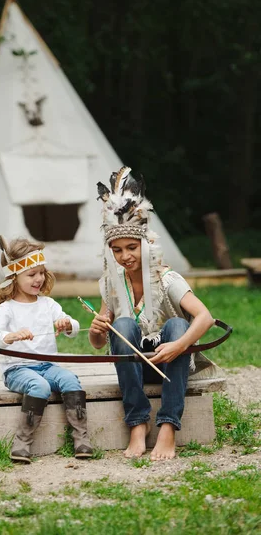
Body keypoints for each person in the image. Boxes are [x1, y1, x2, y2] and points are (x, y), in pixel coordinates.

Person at [88, 166, 215, 461]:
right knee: (121, 322)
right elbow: (99, 343)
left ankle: (169, 426)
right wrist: (97, 331)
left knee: (175, 324)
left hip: (174, 362)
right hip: (137, 367)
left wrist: (180, 345)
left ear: (146, 243)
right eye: (117, 250)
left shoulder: (167, 279)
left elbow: (205, 317)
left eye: (132, 247)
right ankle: (137, 423)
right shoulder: (112, 283)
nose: (125, 256)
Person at [0, 236, 93, 463]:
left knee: (71, 380)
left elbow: (73, 326)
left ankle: (81, 438)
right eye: (31, 275)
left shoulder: (48, 304)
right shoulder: (7, 309)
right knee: (40, 386)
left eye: (42, 273)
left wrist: (67, 325)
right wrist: (10, 336)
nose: (39, 279)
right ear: (14, 277)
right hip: (17, 370)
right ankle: (22, 443)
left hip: (47, 366)